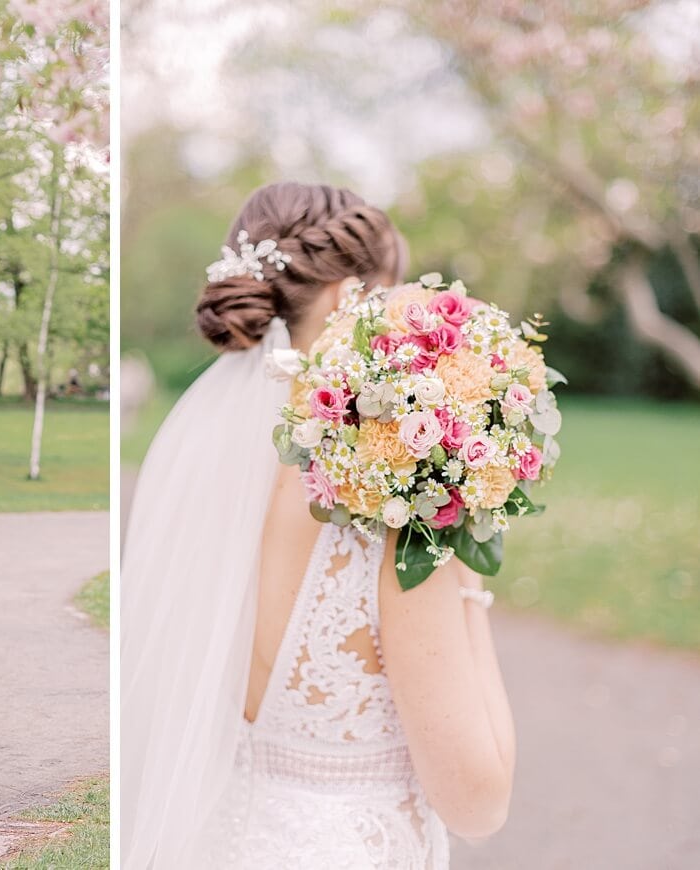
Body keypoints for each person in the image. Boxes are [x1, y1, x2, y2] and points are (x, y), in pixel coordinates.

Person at [121, 182, 515, 869]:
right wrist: (465, 571)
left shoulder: (194, 457)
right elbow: (479, 802)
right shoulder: (389, 499)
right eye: (393, 292)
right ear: (347, 300)